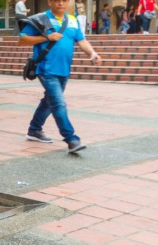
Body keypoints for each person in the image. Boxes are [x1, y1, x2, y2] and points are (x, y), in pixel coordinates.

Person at [20, 0, 102, 153]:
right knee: (58, 104)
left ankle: (34, 130)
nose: (60, 3)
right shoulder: (40, 19)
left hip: (64, 70)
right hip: (46, 69)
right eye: (56, 0)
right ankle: (71, 139)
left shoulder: (72, 19)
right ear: (50, 2)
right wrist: (46, 38)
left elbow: (82, 40)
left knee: (48, 101)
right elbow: (22, 39)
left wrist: (92, 53)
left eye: (64, 0)